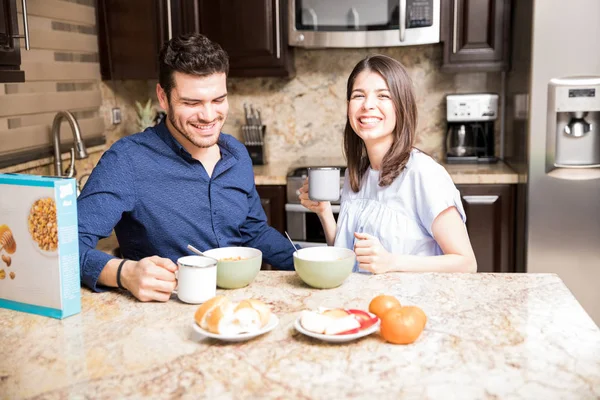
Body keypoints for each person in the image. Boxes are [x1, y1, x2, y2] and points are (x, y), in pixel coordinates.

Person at [78, 33, 295, 301]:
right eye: (192, 103)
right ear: (163, 97)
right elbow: (64, 248)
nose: (208, 115)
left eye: (218, 100)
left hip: (238, 310)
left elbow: (254, 232)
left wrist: (306, 262)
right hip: (167, 316)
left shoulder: (236, 154)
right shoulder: (127, 160)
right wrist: (124, 273)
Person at [299, 55, 477, 274]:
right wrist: (325, 212)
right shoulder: (358, 173)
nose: (368, 105)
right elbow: (350, 258)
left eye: (383, 96)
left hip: (408, 306)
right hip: (361, 304)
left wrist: (393, 262)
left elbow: (466, 263)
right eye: (358, 96)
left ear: (401, 107)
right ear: (348, 107)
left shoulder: (423, 173)